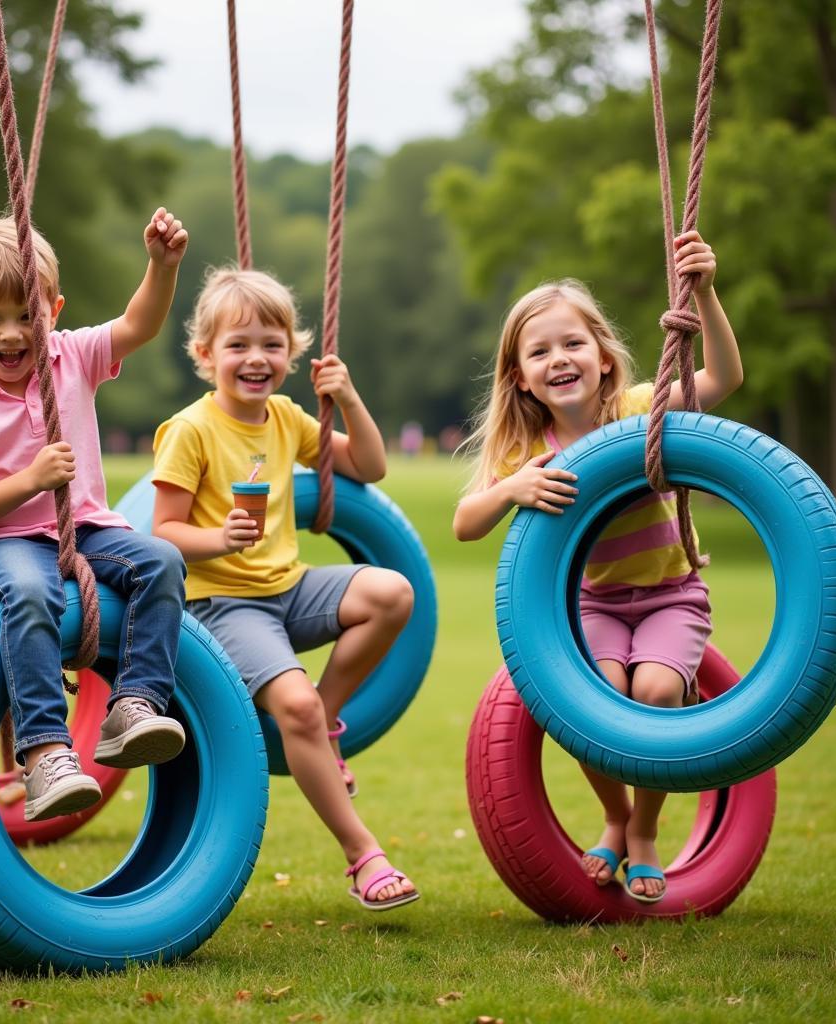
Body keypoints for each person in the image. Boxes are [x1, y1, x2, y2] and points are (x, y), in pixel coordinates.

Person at [453, 231, 743, 903]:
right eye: (541, 351)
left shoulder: (640, 410)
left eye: (573, 343)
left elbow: (723, 378)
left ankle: (643, 829)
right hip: (595, 606)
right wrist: (510, 489)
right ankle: (613, 816)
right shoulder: (530, 448)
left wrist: (704, 291)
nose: (560, 358)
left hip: (672, 595)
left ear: (605, 358)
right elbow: (466, 524)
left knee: (657, 696)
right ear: (520, 375)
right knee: (593, 702)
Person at [151, 266, 419, 911]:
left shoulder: (286, 417)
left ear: (291, 354)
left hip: (288, 590)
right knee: (291, 708)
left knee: (393, 593)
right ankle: (364, 856)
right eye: (238, 344)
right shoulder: (189, 430)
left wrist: (348, 398)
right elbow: (161, 532)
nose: (256, 358)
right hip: (222, 604)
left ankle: (325, 717)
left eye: (271, 344)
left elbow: (371, 466)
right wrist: (219, 539)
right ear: (206, 353)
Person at [0, 209, 190, 822]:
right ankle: (45, 750)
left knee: (162, 561)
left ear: (56, 308)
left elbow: (138, 325)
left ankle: (133, 706)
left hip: (86, 529)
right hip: (2, 542)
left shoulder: (71, 358)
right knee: (30, 590)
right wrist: (30, 481)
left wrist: (161, 266)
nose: (14, 334)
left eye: (29, 315)